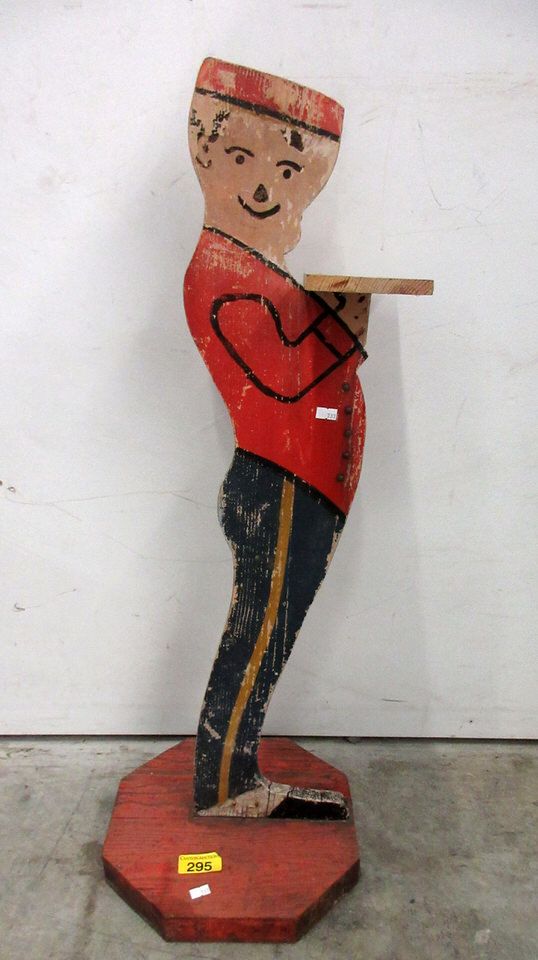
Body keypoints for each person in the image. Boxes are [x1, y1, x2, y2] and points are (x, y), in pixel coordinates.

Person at [184, 58, 368, 817]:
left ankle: (234, 774)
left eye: (288, 169)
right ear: (206, 155)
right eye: (241, 157)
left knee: (267, 637)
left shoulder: (256, 265)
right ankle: (227, 785)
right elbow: (285, 377)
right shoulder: (222, 270)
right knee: (257, 638)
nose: (264, 185)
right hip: (280, 483)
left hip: (303, 483)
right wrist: (347, 325)